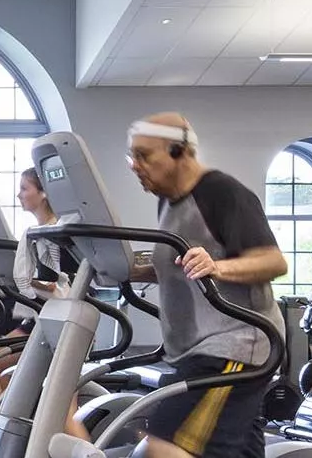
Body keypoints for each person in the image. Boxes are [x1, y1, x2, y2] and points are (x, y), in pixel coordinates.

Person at [125, 113, 287, 458]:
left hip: (236, 348)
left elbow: (273, 261)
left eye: (144, 155)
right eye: (132, 156)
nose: (134, 165)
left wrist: (218, 266)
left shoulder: (222, 191)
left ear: (179, 151)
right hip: (198, 350)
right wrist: (131, 270)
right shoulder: (167, 201)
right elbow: (183, 266)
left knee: (162, 445)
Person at [0, 167, 64, 402]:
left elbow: (54, 285)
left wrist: (18, 277)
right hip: (35, 319)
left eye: (24, 188)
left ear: (43, 193)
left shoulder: (53, 231)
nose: (19, 195)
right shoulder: (34, 232)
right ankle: (11, 434)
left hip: (53, 322)